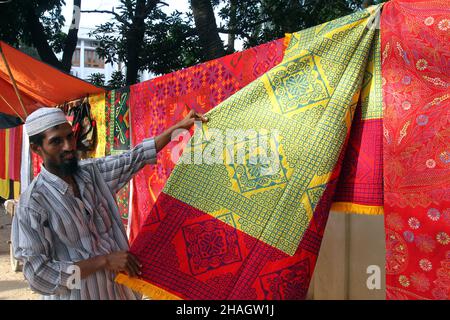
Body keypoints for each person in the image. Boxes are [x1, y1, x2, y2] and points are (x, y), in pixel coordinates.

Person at [12, 107, 208, 300]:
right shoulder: (32, 204)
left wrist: (180, 127)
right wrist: (102, 261)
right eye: (56, 141)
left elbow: (136, 157)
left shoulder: (92, 174)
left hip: (119, 292)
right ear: (37, 148)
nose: (68, 146)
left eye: (70, 137)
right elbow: (38, 276)